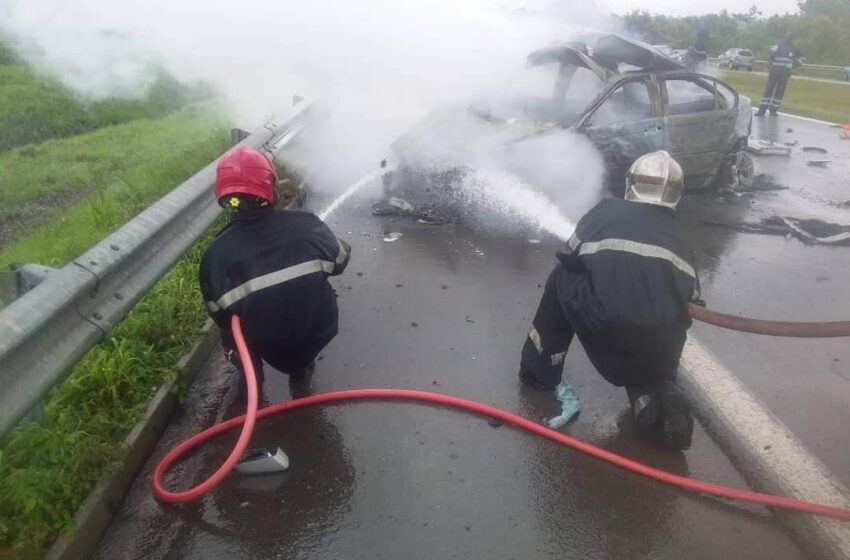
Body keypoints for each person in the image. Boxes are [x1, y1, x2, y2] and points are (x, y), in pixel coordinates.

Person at [519, 150, 700, 450]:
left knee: (561, 276)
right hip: (652, 352)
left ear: (632, 184)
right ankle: (656, 400)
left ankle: (539, 371)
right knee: (662, 327)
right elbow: (692, 299)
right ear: (676, 194)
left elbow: (569, 254)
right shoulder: (681, 235)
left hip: (602, 327)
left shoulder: (605, 212)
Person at [199, 146, 351, 402]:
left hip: (265, 344)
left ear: (225, 197)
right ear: (270, 187)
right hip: (316, 333)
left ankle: (251, 379)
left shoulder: (215, 256)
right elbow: (341, 261)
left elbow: (220, 315)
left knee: (231, 331)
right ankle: (302, 368)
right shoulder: (307, 225)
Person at [756, 32, 804, 116]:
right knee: (770, 90)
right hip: (776, 72)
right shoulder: (780, 45)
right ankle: (763, 110)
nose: (789, 37)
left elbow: (800, 60)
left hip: (782, 73)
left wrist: (792, 67)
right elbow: (771, 55)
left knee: (777, 91)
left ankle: (771, 110)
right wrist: (770, 66)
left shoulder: (792, 47)